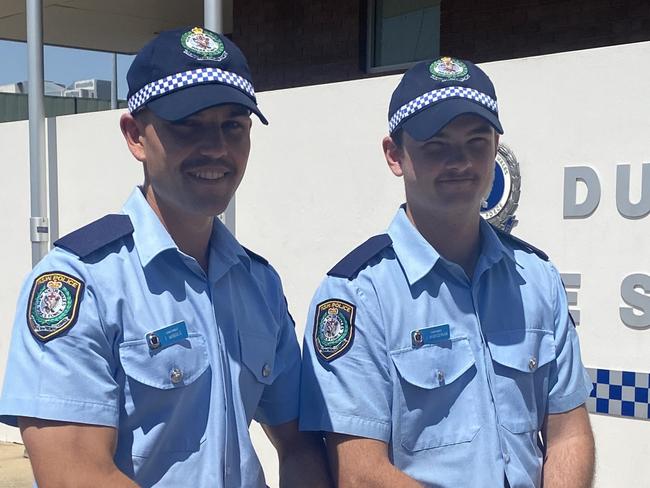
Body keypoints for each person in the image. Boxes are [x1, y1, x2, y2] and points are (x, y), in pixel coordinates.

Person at [0, 27, 331, 488]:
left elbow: (300, 443)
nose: (216, 147)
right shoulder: (80, 283)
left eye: (233, 125)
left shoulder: (258, 283)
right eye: (188, 124)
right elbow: (74, 474)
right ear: (135, 136)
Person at [299, 57, 595, 487]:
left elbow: (569, 434)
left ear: (496, 149)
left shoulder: (537, 279)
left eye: (476, 142)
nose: (460, 161)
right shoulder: (357, 295)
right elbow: (360, 473)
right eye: (437, 145)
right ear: (394, 155)